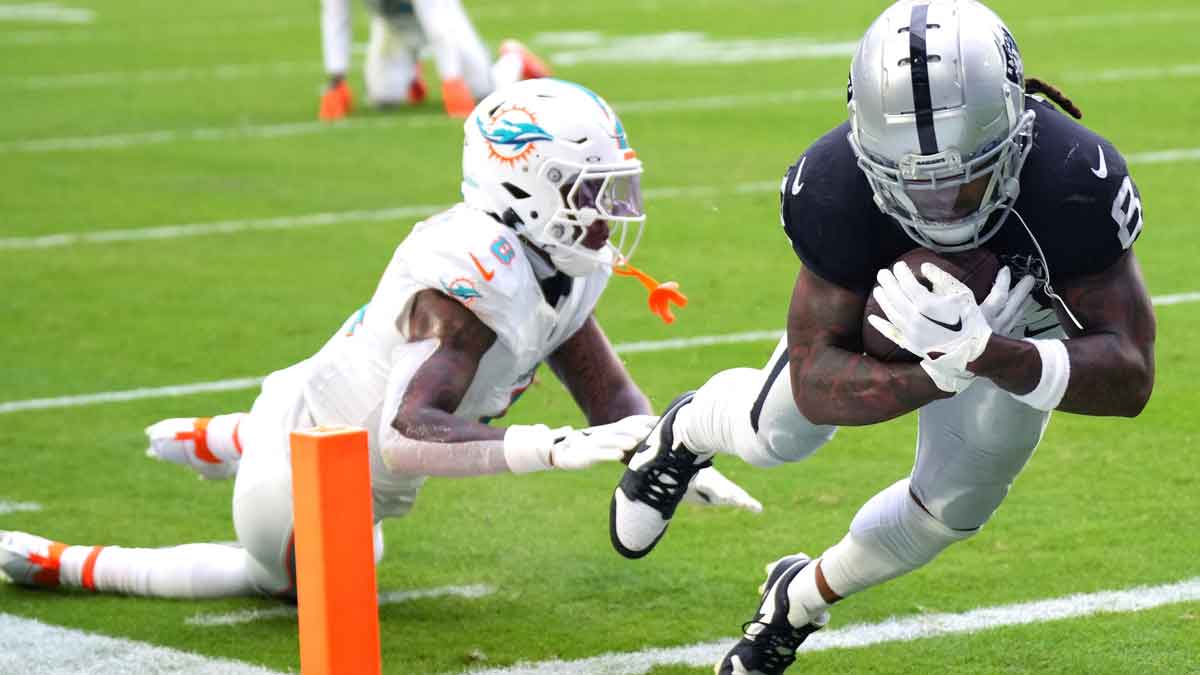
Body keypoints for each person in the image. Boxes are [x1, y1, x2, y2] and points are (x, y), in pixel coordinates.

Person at [0, 78, 758, 601]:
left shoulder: (556, 259)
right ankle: (74, 563)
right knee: (289, 582)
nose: (604, 213)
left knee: (322, 422)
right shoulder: (467, 279)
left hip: (319, 395)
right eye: (586, 191)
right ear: (523, 188)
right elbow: (402, 435)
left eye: (608, 189)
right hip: (311, 478)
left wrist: (671, 454)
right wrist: (545, 448)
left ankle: (231, 431)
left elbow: (606, 393)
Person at [607, 1, 1155, 673]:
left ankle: (796, 600)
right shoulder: (835, 185)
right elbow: (813, 380)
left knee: (946, 513)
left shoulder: (1075, 178)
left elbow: (1131, 375)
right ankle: (686, 431)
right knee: (777, 435)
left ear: (1016, 133)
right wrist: (935, 372)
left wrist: (990, 353)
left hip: (1016, 340)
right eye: (913, 182)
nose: (939, 205)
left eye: (965, 176)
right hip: (897, 325)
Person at [319, 0, 550, 120]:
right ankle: (410, 74)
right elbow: (336, 18)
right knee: (384, 97)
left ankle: (514, 59)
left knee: (484, 91)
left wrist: (452, 80)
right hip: (394, 26)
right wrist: (336, 80)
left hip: (444, 17)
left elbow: (437, 24)